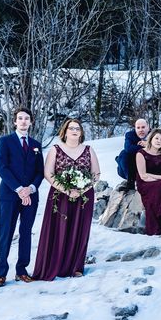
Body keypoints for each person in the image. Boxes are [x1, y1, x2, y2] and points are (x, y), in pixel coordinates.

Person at [32, 119, 101, 280]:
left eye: (78, 128)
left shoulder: (89, 150)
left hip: (84, 196)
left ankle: (76, 266)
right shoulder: (56, 149)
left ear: (81, 132)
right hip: (59, 196)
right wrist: (67, 190)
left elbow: (96, 174)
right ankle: (53, 266)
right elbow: (48, 173)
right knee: (58, 230)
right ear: (65, 131)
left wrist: (82, 189)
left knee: (80, 230)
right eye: (71, 128)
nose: (75, 131)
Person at [0, 108, 45, 287]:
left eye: (27, 118)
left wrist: (30, 189)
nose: (23, 121)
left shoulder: (36, 144)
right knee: (6, 232)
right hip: (9, 195)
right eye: (20, 118)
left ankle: (21, 270)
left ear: (31, 122)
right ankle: (1, 273)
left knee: (26, 232)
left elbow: (40, 171)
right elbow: (2, 167)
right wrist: (18, 189)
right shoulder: (5, 141)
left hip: (31, 196)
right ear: (15, 121)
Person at [115, 118, 149, 191]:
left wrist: (148, 144)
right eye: (138, 128)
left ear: (148, 127)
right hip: (129, 169)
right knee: (124, 153)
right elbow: (128, 148)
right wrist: (143, 146)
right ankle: (130, 182)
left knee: (121, 156)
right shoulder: (130, 135)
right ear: (135, 128)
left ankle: (118, 160)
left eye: (143, 127)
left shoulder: (154, 135)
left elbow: (160, 148)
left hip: (148, 168)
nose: (141, 130)